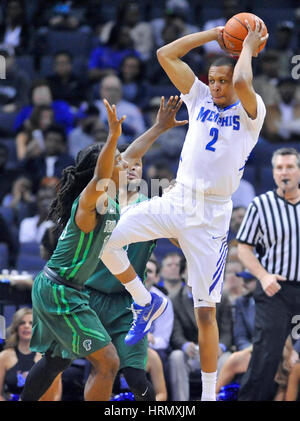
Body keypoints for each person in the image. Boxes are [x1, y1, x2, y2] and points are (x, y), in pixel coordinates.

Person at [100, 18, 267, 401]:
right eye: (211, 80)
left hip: (211, 216)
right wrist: (217, 35)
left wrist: (244, 46)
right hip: (178, 198)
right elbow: (165, 54)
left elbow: (243, 82)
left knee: (205, 312)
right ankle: (147, 301)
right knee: (106, 241)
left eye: (221, 80)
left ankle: (208, 396)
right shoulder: (199, 97)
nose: (216, 85)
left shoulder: (250, 112)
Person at [20, 96, 185, 401]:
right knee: (107, 361)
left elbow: (131, 153)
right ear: (105, 168)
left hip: (66, 288)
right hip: (60, 289)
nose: (127, 163)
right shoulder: (89, 201)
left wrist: (158, 128)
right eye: (119, 161)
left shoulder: (114, 193)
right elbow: (101, 173)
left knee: (56, 360)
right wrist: (112, 137)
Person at [84, 97, 186, 401]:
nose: (133, 168)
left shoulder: (153, 207)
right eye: (129, 163)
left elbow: (179, 241)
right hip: (91, 296)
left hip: (130, 304)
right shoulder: (103, 198)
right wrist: (158, 127)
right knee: (87, 366)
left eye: (139, 164)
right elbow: (124, 158)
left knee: (134, 375)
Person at [236, 147, 300, 400]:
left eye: (290, 167)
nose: (284, 172)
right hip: (275, 288)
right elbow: (244, 248)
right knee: (266, 357)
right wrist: (263, 276)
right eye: (279, 168)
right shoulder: (260, 205)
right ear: (273, 173)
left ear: (298, 171)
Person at [0, 308, 61, 401]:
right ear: (16, 327)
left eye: (31, 323)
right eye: (22, 323)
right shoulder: (4, 356)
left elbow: (56, 394)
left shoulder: (48, 358)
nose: (26, 326)